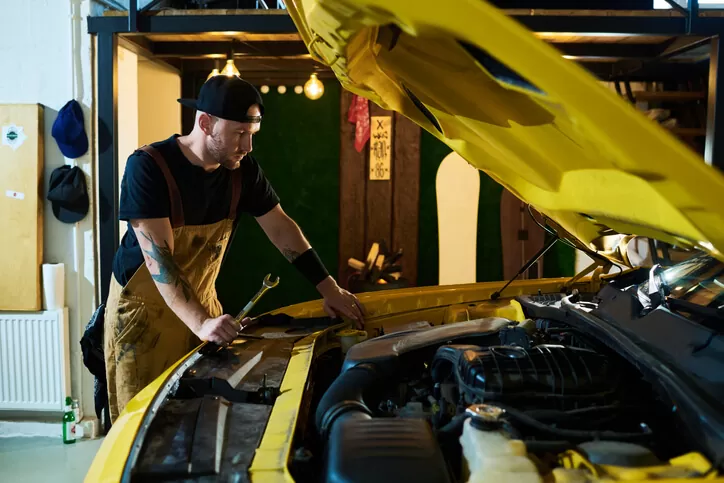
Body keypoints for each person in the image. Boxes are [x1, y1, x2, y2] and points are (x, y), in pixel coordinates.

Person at [103, 75, 365, 422]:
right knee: (142, 425)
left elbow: (281, 228)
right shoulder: (149, 167)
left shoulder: (242, 171)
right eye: (239, 134)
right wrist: (201, 323)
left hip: (202, 307)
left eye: (251, 134)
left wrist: (327, 287)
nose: (248, 146)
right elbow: (159, 260)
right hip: (144, 317)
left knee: (198, 419)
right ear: (205, 122)